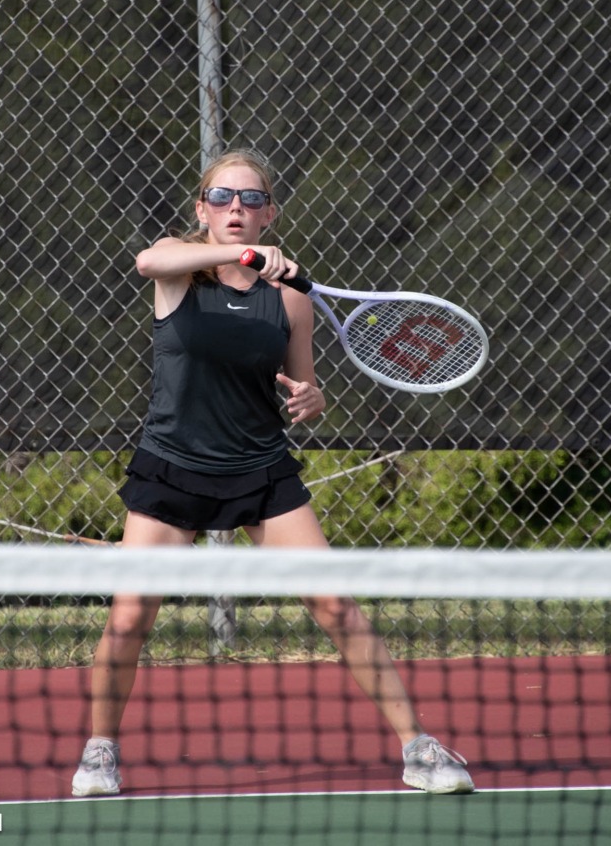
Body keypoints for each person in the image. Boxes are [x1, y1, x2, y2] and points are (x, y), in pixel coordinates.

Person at [72, 149, 474, 797]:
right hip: (172, 467)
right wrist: (240, 255)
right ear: (202, 210)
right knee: (128, 620)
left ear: (270, 214)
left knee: (336, 606)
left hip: (260, 469)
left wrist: (311, 399)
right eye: (222, 197)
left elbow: (302, 387)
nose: (236, 208)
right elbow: (149, 261)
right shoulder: (178, 269)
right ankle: (100, 752)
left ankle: (417, 747)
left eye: (251, 199)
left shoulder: (290, 301)